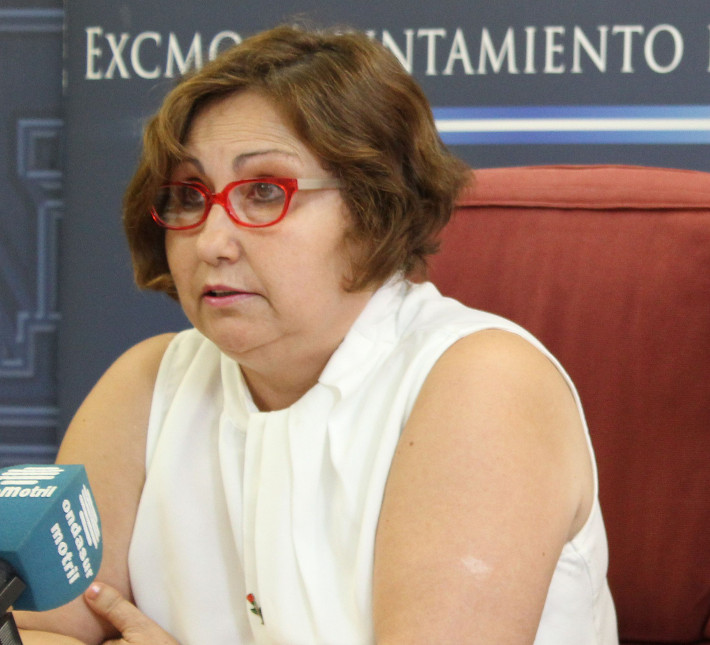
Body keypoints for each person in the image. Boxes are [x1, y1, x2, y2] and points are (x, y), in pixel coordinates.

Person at [17, 24, 618, 645]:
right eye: (189, 196)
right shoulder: (146, 386)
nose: (212, 242)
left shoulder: (484, 382)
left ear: (375, 206)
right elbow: (37, 630)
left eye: (263, 192)